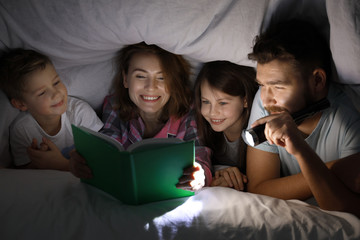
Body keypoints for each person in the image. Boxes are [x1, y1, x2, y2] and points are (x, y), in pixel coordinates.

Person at [245, 19, 360, 217]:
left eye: (278, 86)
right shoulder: (268, 104)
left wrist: (301, 150)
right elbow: (259, 189)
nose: (265, 99)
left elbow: (349, 211)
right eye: (262, 85)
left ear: (317, 80)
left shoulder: (349, 118)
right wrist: (333, 170)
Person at [69, 42, 212, 190]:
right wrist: (85, 161)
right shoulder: (115, 104)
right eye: (141, 76)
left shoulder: (189, 110)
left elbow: (200, 153)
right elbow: (107, 147)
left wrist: (199, 174)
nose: (151, 86)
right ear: (125, 79)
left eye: (162, 77)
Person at [0, 49, 103, 170]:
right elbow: (25, 173)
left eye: (56, 82)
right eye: (42, 92)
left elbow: (102, 157)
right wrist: (40, 161)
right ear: (21, 104)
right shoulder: (22, 130)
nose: (56, 94)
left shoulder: (79, 112)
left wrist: (59, 164)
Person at [194, 61, 257, 191]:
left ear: (245, 100)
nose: (212, 112)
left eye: (222, 103)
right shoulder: (200, 130)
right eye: (205, 101)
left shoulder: (258, 133)